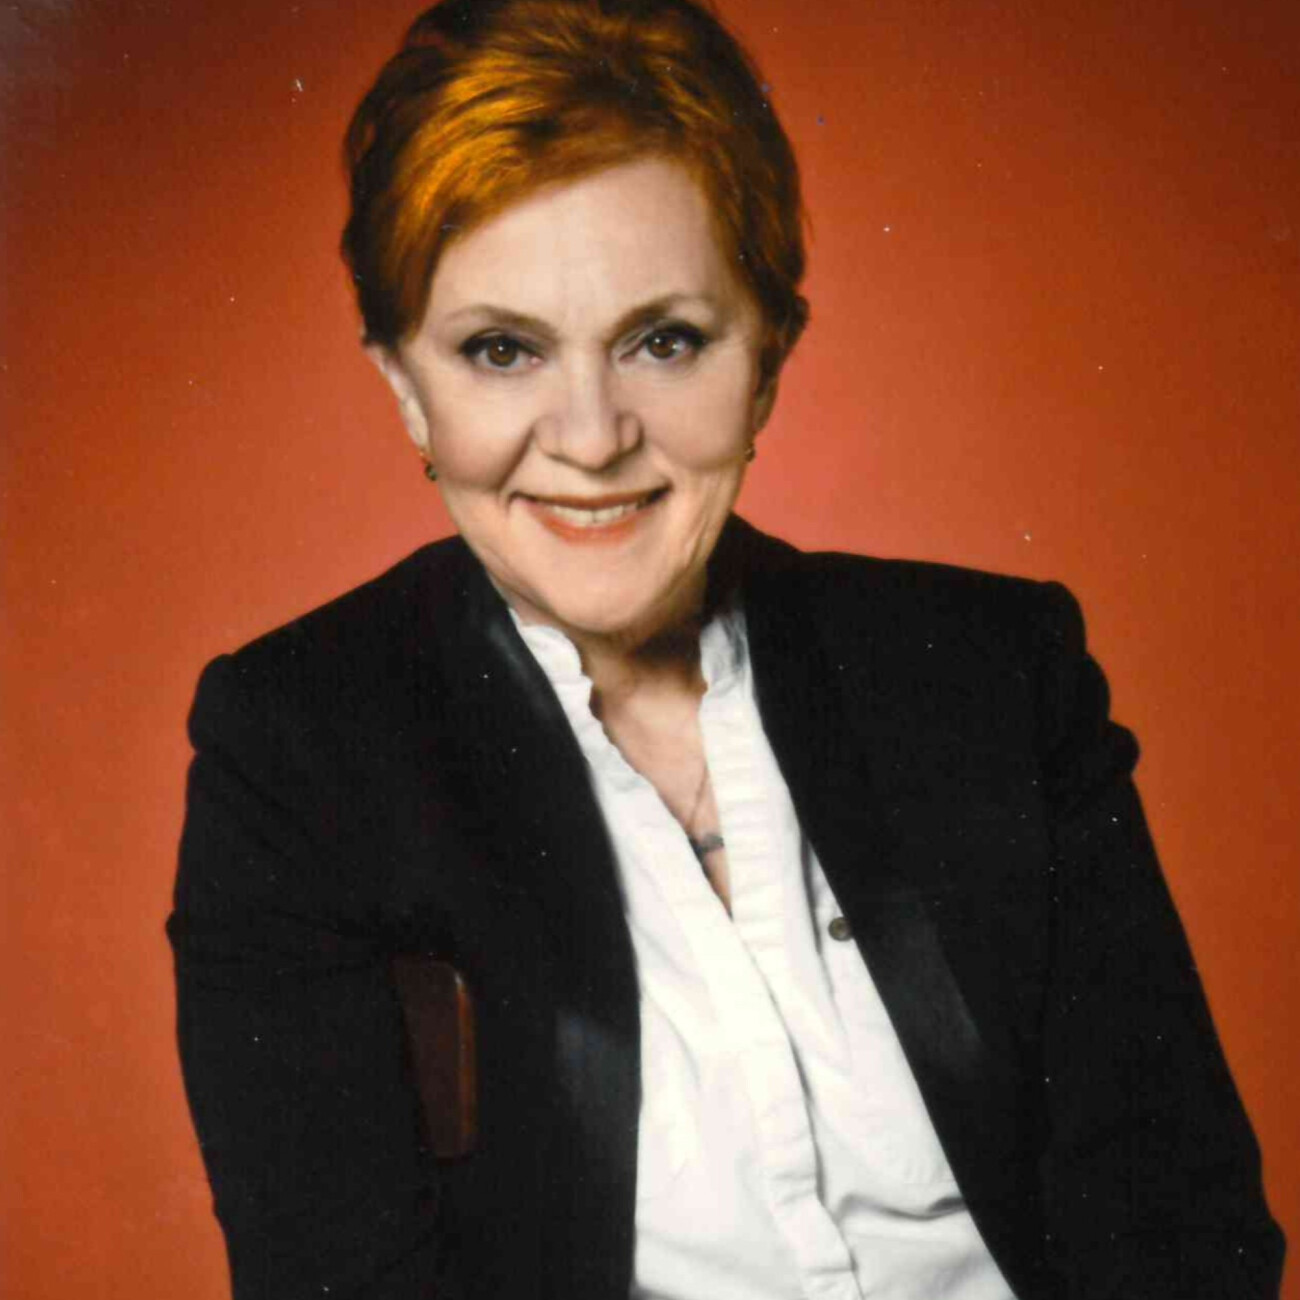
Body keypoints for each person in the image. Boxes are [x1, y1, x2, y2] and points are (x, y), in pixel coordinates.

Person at [167, 1, 1284, 1297]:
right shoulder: (298, 750)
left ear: (767, 360)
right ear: (408, 388)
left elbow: (1182, 1227)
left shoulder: (993, 672)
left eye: (665, 341)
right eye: (501, 350)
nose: (591, 437)